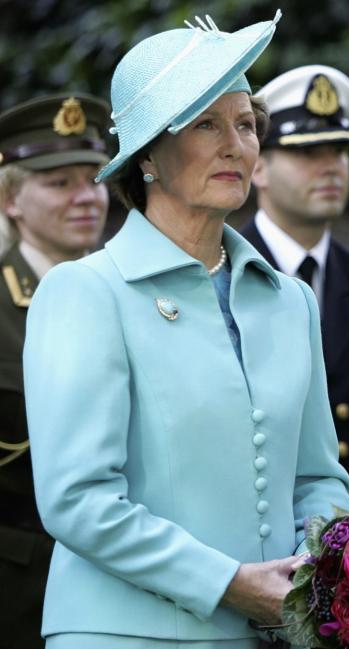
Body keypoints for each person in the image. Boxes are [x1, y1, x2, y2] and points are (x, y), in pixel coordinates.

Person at [23, 11, 349, 648]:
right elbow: (77, 499)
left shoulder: (293, 300)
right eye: (207, 124)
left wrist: (315, 569)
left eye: (247, 125)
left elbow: (318, 476)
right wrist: (229, 581)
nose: (238, 145)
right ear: (148, 153)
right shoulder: (85, 291)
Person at [243, 65, 349, 510]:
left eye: (339, 150)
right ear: (258, 168)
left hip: (342, 536)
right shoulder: (220, 267)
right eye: (308, 152)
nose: (331, 166)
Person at [0, 92, 110, 649]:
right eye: (60, 183)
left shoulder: (134, 294)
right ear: (11, 200)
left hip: (121, 582)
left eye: (93, 178)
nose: (86, 197)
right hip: (19, 582)